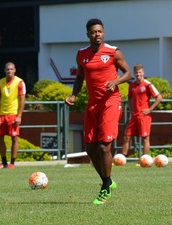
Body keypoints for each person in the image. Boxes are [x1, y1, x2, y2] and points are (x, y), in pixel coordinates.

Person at [65, 18, 132, 205]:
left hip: (111, 102)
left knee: (104, 146)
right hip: (93, 104)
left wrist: (116, 82)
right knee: (90, 148)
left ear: (104, 32)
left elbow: (128, 73)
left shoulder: (113, 52)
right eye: (94, 32)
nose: (97, 35)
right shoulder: (81, 54)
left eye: (100, 31)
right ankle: (107, 182)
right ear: (88, 34)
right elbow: (79, 77)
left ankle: (104, 188)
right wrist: (73, 95)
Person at [121, 64, 162, 158]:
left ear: (143, 72)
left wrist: (150, 109)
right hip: (134, 116)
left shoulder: (148, 85)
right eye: (136, 73)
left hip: (144, 116)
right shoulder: (131, 85)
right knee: (126, 137)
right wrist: (131, 109)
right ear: (134, 74)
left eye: (140, 72)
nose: (138, 74)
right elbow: (129, 98)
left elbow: (159, 97)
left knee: (145, 138)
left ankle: (145, 158)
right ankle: (122, 158)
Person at [0, 62, 26, 169]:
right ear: (4, 70)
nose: (9, 71)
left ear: (15, 70)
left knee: (14, 139)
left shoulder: (20, 82)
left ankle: (12, 163)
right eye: (7, 69)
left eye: (11, 69)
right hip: (2, 115)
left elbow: (22, 100)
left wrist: (19, 116)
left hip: (13, 114)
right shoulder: (0, 82)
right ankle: (4, 163)